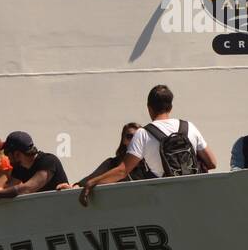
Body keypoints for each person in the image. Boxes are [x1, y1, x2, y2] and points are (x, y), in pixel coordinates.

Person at [80, 85, 215, 205]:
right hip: (194, 195)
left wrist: (92, 182)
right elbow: (212, 163)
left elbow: (122, 170)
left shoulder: (143, 133)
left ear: (149, 108)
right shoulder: (188, 126)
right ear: (170, 107)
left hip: (166, 199)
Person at [60, 123, 156, 189]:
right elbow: (93, 177)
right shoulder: (113, 163)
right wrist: (73, 187)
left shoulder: (149, 162)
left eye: (137, 137)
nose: (134, 140)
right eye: (130, 136)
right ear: (123, 140)